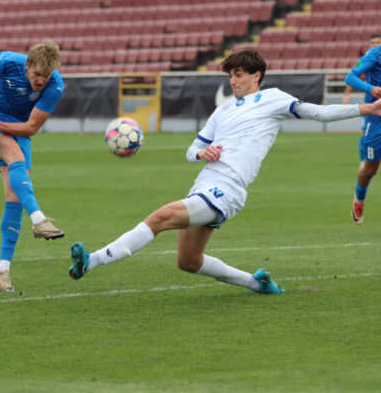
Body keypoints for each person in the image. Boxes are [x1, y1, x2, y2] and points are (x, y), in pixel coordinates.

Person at [69, 47, 381, 293]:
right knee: (188, 261)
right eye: (231, 75)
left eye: (239, 74)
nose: (233, 80)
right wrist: (201, 152)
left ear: (256, 76)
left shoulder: (272, 99)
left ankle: (91, 261)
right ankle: (255, 283)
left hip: (228, 188)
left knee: (160, 218)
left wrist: (367, 108)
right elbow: (192, 150)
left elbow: (317, 113)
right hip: (204, 183)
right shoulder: (223, 110)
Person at [0, 39, 66, 293]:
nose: (41, 80)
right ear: (27, 65)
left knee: (14, 197)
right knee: (15, 157)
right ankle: (39, 219)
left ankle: (2, 271)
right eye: (36, 74)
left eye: (46, 75)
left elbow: (31, 127)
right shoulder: (7, 61)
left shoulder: (55, 85)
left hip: (16, 129)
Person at [344, 37, 381, 224]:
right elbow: (349, 77)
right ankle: (359, 199)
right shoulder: (374, 54)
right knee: (370, 169)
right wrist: (370, 88)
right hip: (376, 119)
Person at [342, 33, 381, 104]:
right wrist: (347, 94)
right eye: (373, 43)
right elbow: (351, 77)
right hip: (373, 102)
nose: (375, 44)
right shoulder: (368, 58)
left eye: (377, 42)